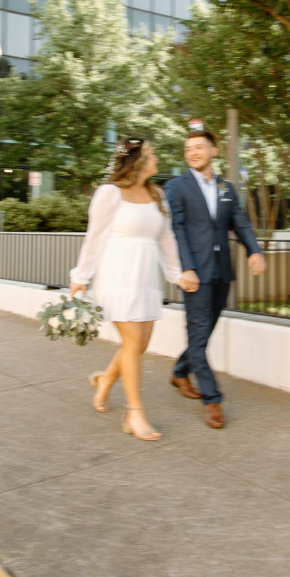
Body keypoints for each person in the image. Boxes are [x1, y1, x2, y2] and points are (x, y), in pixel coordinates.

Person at [70, 137, 196, 441]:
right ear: (136, 160)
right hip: (117, 275)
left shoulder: (157, 195)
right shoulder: (109, 193)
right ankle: (134, 414)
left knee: (137, 345)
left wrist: (178, 274)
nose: (156, 157)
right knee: (133, 341)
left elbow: (166, 239)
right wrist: (80, 277)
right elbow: (95, 238)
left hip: (146, 278)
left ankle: (105, 380)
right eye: (151, 153)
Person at [165, 129, 267, 428]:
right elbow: (177, 229)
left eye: (199, 147)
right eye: (188, 149)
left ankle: (180, 371)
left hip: (222, 268)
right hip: (195, 271)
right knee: (199, 332)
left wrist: (254, 251)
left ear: (214, 151)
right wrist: (186, 267)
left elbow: (241, 223)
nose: (193, 152)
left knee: (205, 330)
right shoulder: (176, 187)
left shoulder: (227, 188)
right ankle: (213, 399)